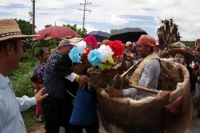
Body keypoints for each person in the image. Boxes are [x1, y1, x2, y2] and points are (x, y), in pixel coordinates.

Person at [0, 19, 48, 133]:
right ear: (10, 49)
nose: (23, 52)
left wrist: (33, 100)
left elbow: (11, 103)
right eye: (22, 47)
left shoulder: (4, 80)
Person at [42, 39, 90, 133]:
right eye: (71, 48)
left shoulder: (67, 58)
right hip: (51, 97)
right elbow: (63, 70)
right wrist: (79, 75)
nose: (72, 51)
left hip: (62, 98)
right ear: (64, 46)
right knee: (52, 126)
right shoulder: (55, 57)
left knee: (65, 123)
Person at [54, 38, 99, 133]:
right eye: (87, 46)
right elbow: (59, 67)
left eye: (91, 46)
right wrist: (77, 78)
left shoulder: (93, 56)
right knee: (74, 128)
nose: (88, 48)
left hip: (88, 97)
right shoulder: (70, 56)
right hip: (73, 97)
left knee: (93, 127)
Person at [107, 35, 160, 100]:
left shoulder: (151, 63)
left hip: (144, 101)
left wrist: (121, 92)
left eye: (139, 46)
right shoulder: (147, 59)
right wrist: (133, 60)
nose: (136, 49)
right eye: (136, 46)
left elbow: (141, 88)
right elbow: (141, 67)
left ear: (148, 47)